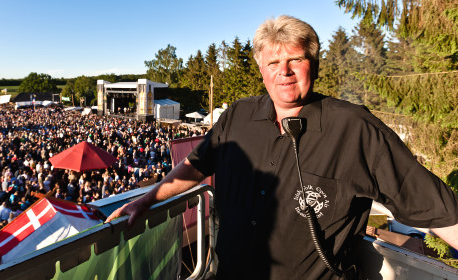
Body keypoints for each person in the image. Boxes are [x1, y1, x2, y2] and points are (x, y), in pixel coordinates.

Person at [107, 15, 458, 279]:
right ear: (261, 70)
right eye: (274, 62)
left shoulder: (355, 129)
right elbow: (196, 165)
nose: (284, 71)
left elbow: (434, 207)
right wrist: (146, 200)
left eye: (296, 60)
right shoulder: (237, 116)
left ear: (313, 66)